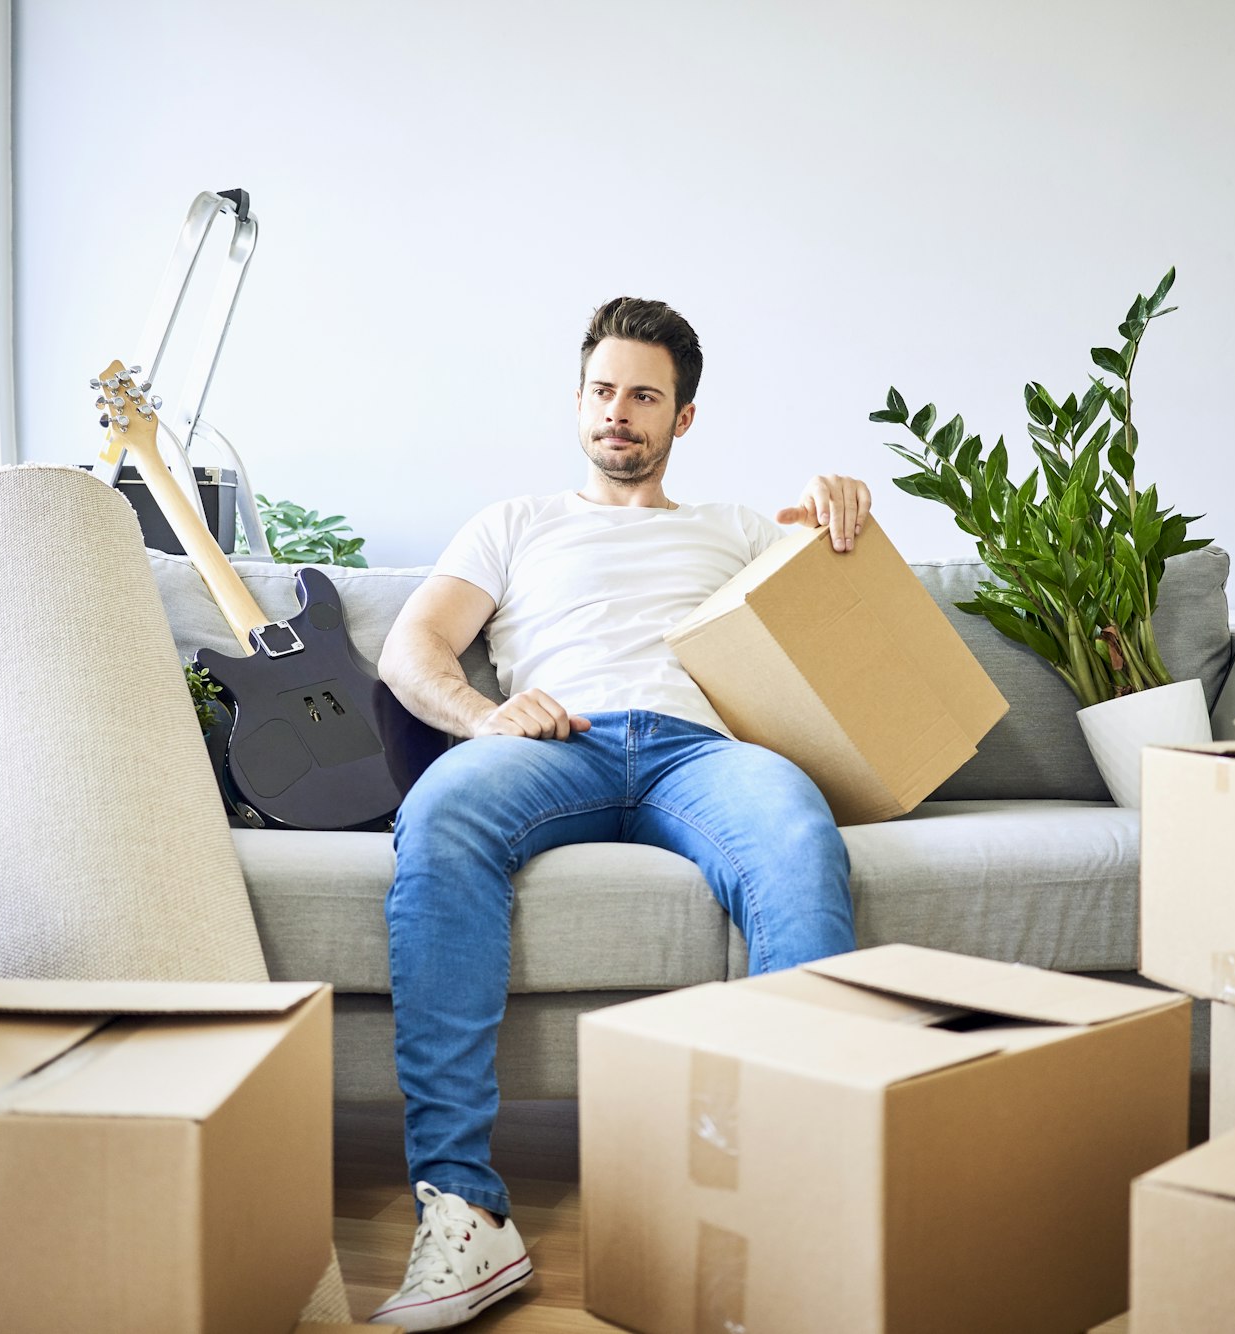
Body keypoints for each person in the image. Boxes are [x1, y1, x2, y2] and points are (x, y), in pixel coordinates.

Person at [366, 296, 867, 1330]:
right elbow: (410, 648)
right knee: (442, 815)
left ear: (681, 418)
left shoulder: (734, 529)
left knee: (796, 829)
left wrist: (838, 509)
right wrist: (483, 715)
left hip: (701, 752)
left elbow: (856, 629)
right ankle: (462, 1205)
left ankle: (795, 1198)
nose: (618, 413)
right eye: (602, 391)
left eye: (644, 395)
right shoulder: (512, 523)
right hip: (552, 743)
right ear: (578, 401)